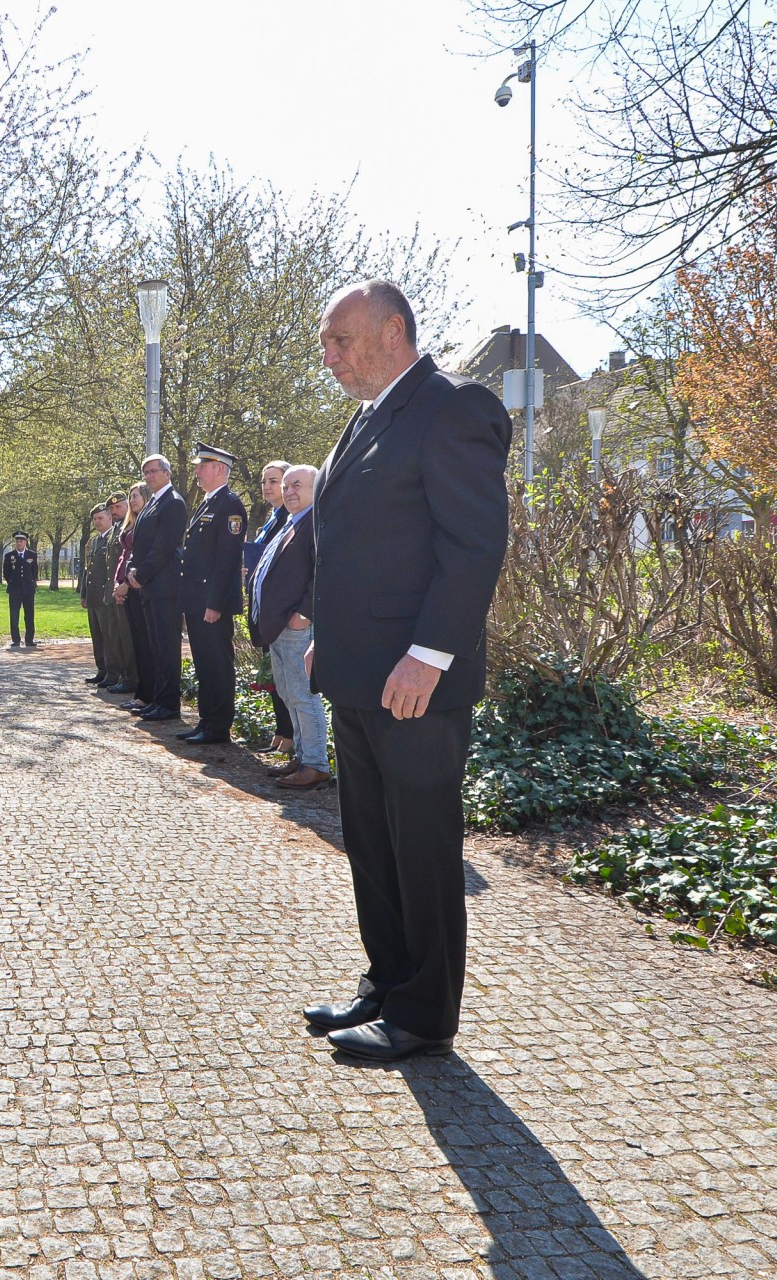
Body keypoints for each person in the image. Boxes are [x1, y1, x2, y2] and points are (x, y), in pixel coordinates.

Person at [301, 279, 511, 1063]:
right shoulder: (365, 418)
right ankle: (387, 983)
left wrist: (429, 655)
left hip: (415, 679)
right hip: (358, 673)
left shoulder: (452, 407)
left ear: (393, 331)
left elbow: (474, 545)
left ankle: (424, 1015)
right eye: (326, 344)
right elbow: (354, 545)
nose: (329, 357)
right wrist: (328, 636)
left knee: (421, 846)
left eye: (341, 341)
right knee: (372, 842)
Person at [247, 466, 329, 788]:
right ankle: (303, 756)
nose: (289, 491)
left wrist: (304, 614)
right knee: (287, 693)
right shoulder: (291, 522)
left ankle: (316, 765)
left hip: (296, 627)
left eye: (297, 485)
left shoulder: (315, 522)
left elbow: (323, 572)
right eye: (286, 486)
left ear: (314, 488)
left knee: (302, 695)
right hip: (278, 625)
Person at [175, 442, 247, 745]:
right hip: (197, 600)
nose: (197, 472)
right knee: (204, 663)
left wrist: (215, 603)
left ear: (219, 468)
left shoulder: (229, 505)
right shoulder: (207, 503)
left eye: (202, 466)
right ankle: (206, 720)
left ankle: (218, 726)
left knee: (217, 663)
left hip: (211, 603)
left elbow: (227, 560)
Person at [127, 455, 189, 722]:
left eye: (154, 471)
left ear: (167, 473)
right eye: (146, 472)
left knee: (167, 647)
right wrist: (131, 568)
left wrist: (140, 575)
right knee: (155, 647)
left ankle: (169, 703)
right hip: (149, 587)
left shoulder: (173, 502)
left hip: (164, 587)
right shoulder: (152, 502)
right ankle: (158, 699)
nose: (149, 476)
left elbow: (164, 547)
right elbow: (138, 544)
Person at [243, 460, 296, 756]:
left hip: (280, 609)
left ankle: (289, 736)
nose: (267, 486)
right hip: (263, 606)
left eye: (274, 481)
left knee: (286, 679)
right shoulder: (272, 517)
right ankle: (281, 732)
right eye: (265, 481)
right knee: (273, 674)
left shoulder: (291, 517)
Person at [81, 502, 134, 688]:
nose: (97, 522)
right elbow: (87, 570)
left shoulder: (115, 537)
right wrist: (84, 594)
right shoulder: (94, 541)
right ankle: (102, 670)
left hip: (106, 595)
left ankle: (113, 673)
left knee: (109, 637)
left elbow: (112, 570)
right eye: (95, 519)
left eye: (100, 518)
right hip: (93, 596)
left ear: (110, 518)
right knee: (97, 636)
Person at [113, 484, 153, 707]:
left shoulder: (146, 523)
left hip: (138, 586)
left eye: (136, 496)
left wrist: (126, 585)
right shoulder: (130, 523)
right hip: (125, 585)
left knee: (145, 644)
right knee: (137, 642)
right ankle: (141, 694)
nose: (132, 500)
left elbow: (140, 558)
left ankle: (146, 695)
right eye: (131, 496)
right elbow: (123, 557)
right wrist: (118, 583)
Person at [3, 532, 38, 647]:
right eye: (17, 541)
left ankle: (29, 639)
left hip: (28, 590)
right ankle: (16, 639)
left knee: (29, 615)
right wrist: (12, 582)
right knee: (14, 615)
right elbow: (6, 573)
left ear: (25, 542)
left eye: (21, 541)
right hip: (15, 590)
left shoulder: (32, 555)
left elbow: (34, 572)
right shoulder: (9, 556)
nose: (19, 543)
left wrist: (30, 582)